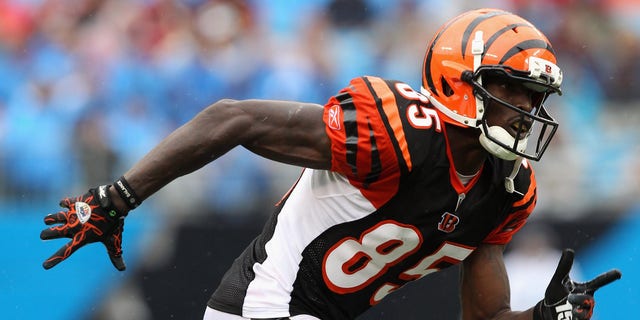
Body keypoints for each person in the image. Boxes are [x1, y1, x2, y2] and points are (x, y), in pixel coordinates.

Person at [39, 8, 620, 320]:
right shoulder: (395, 132)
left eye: (535, 98)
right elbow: (232, 117)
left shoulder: (507, 188)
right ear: (461, 80)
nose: (526, 111)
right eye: (513, 91)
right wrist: (117, 198)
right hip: (261, 309)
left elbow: (487, 317)